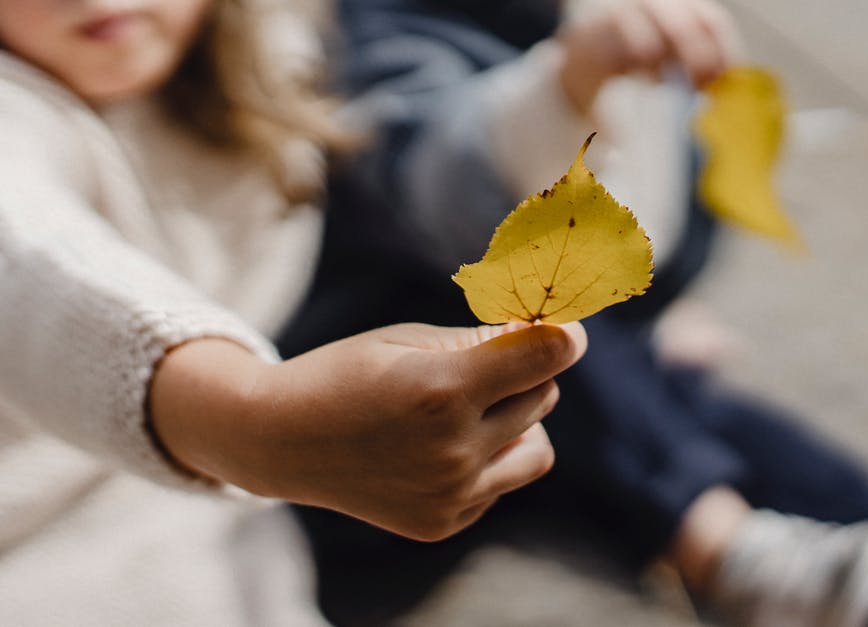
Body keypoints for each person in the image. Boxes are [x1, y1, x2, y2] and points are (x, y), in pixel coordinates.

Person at [278, 0, 868, 626]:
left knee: (641, 378)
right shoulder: (368, 33)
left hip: (469, 460)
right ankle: (728, 550)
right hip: (301, 503)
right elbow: (425, 171)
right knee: (522, 322)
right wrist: (570, 89)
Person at [0, 1, 587, 625]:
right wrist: (248, 415)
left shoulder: (274, 50)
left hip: (227, 542)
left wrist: (577, 86)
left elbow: (410, 156)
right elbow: (30, 259)